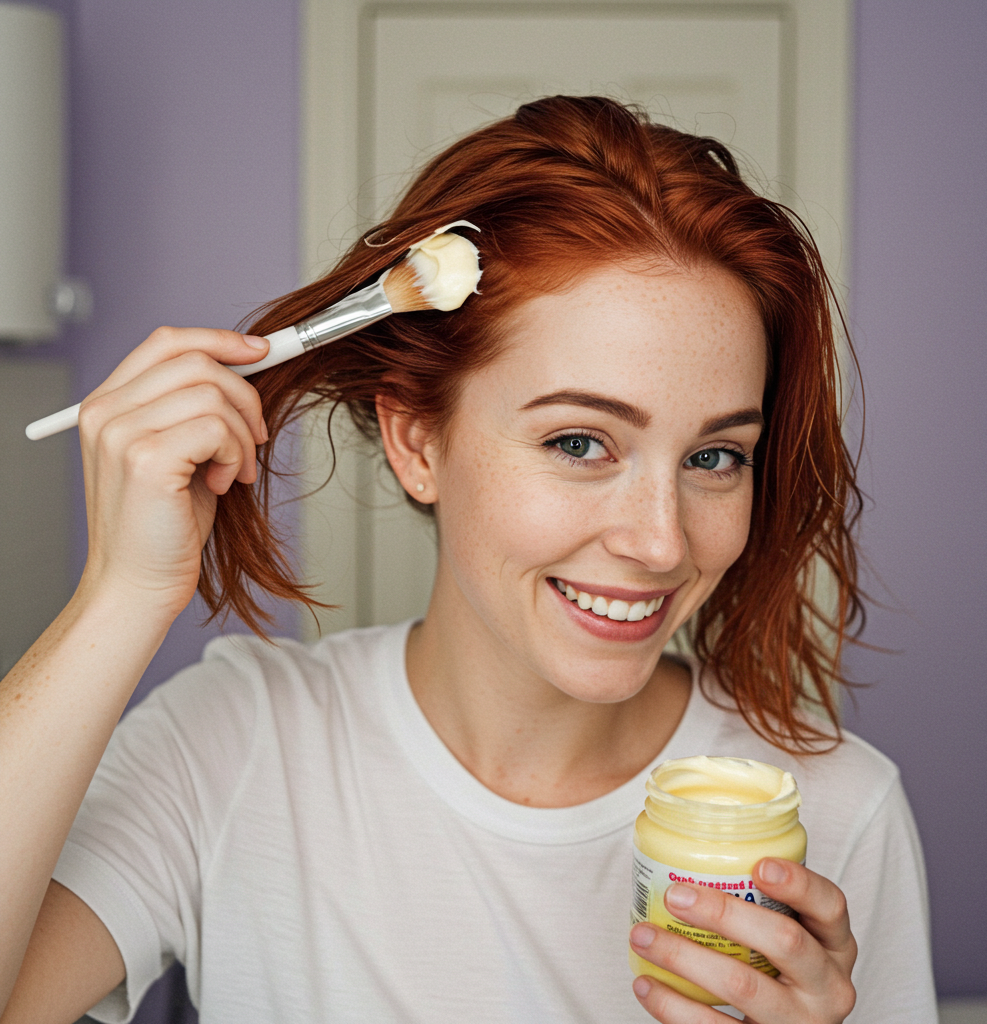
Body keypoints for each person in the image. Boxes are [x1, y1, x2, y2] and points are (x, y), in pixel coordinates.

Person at [0, 96, 937, 1024]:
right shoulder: (239, 745)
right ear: (417, 443)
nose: (661, 541)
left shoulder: (836, 816)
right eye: (580, 443)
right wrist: (120, 596)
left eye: (714, 457)